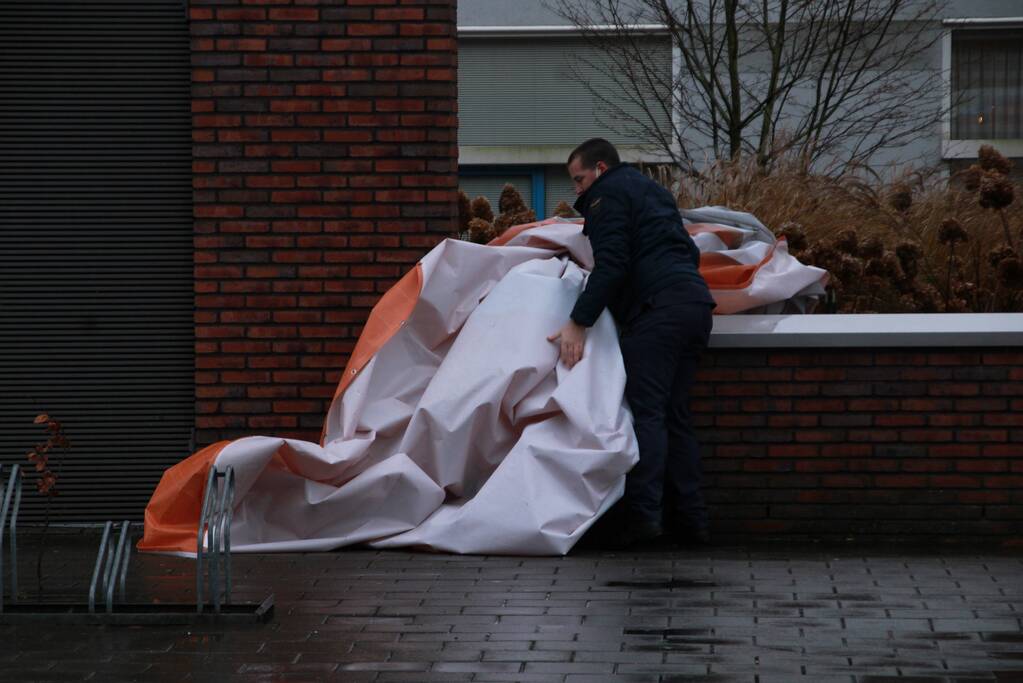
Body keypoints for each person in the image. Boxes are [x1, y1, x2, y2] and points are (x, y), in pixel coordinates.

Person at [547, 138, 716, 548]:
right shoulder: (652, 192)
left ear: (601, 169)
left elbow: (614, 265)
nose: (578, 191)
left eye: (580, 179)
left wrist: (577, 322)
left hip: (657, 313)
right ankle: (691, 523)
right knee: (675, 416)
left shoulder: (607, 197)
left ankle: (644, 520)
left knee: (649, 415)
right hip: (694, 306)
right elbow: (687, 252)